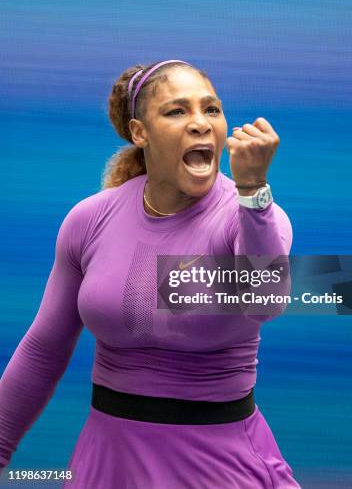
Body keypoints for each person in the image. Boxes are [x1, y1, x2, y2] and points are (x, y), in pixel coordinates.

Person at [0, 59, 301, 488]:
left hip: (219, 468)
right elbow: (43, 351)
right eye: (177, 111)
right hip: (103, 464)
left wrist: (253, 190)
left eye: (211, 109)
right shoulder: (90, 219)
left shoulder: (251, 216)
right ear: (140, 132)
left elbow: (265, 301)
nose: (200, 123)